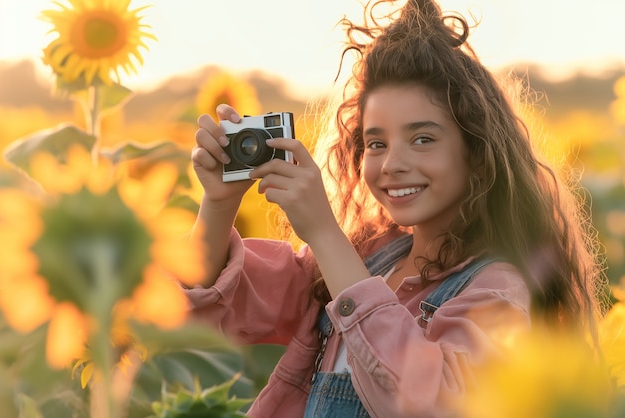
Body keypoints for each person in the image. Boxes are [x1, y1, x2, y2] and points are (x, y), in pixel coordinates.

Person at [186, 0, 606, 416]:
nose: (391, 165)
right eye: (376, 144)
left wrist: (325, 233)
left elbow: (430, 404)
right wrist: (219, 204)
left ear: (476, 153)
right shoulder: (367, 258)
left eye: (422, 139)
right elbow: (204, 308)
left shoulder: (496, 290)